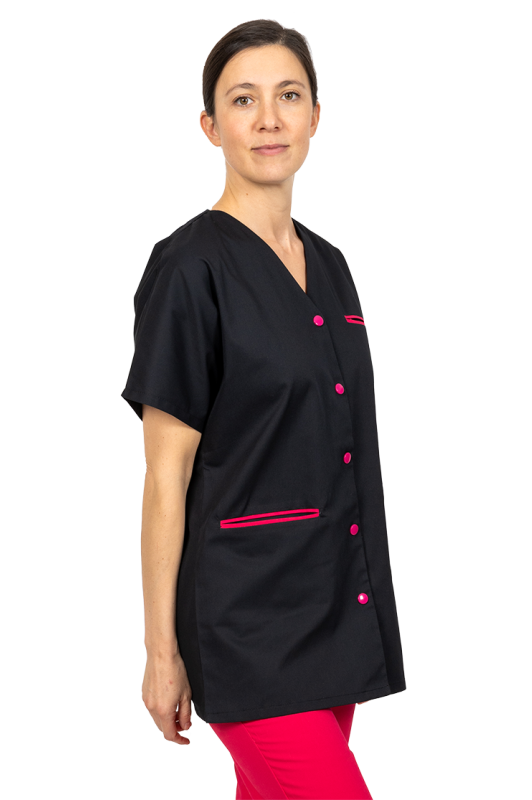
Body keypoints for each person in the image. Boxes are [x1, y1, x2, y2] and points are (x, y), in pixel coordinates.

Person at [120, 18, 406, 799]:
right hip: (246, 622)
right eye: (243, 100)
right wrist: (161, 652)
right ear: (211, 126)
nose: (269, 119)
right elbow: (164, 479)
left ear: (316, 115)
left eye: (289, 95)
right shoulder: (188, 268)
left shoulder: (331, 264)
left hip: (336, 605)